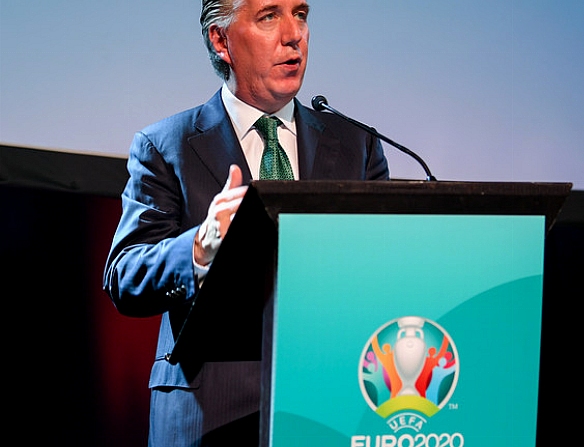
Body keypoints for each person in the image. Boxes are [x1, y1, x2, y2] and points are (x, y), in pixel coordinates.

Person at [102, 0, 389, 445]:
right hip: (210, 413)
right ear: (221, 41)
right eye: (269, 16)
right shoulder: (167, 145)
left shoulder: (358, 146)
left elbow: (382, 267)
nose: (294, 34)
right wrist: (202, 244)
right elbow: (125, 275)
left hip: (329, 405)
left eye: (302, 14)